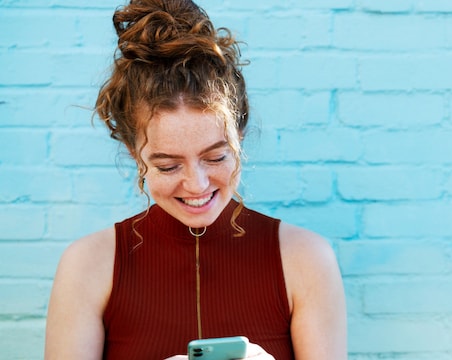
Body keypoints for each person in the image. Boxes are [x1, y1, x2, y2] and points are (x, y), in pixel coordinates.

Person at [44, 0, 347, 359]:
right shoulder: (87, 265)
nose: (197, 185)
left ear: (241, 136)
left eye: (215, 157)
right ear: (132, 151)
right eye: (168, 166)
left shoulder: (306, 260)